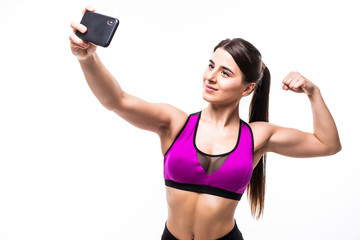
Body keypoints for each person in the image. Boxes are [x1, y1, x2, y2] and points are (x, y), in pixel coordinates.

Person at [69, 6, 341, 240]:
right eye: (211, 66)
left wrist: (313, 93)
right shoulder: (175, 124)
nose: (211, 77)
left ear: (247, 89)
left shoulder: (257, 137)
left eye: (225, 73)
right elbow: (116, 100)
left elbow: (327, 144)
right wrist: (88, 58)